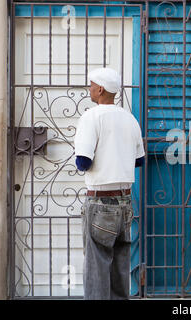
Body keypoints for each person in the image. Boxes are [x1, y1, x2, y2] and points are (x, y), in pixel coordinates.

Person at [75, 67, 145, 300]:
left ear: (101, 89)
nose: (90, 89)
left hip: (100, 201)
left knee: (97, 268)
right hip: (125, 202)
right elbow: (140, 161)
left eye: (91, 85)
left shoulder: (91, 117)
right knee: (119, 267)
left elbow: (83, 162)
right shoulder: (130, 119)